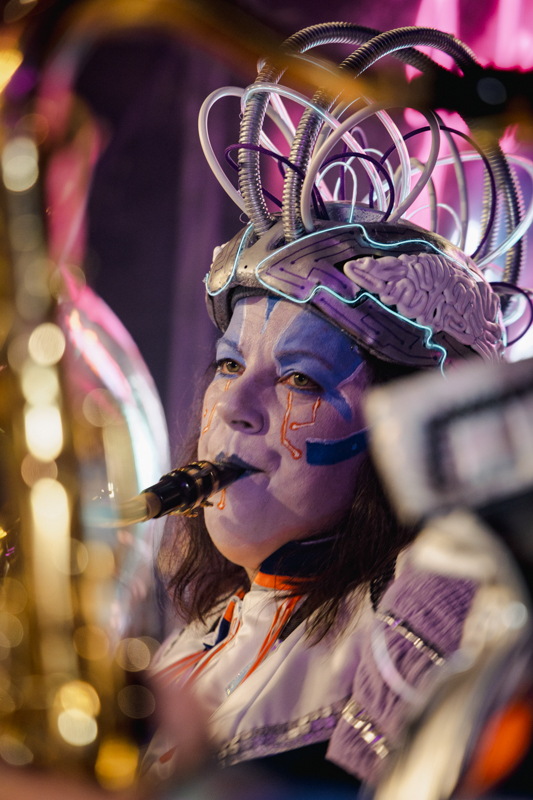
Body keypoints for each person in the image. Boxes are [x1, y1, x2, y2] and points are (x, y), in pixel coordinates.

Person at [141, 21, 530, 791]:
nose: (235, 406)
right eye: (229, 364)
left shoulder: (425, 628)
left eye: (301, 380)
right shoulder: (186, 645)